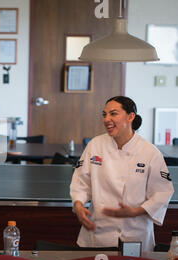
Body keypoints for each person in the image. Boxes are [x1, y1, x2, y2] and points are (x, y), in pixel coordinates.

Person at [70, 96, 174, 251]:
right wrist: (78, 206)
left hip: (135, 234)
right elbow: (81, 183)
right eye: (104, 114)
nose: (107, 119)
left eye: (113, 114)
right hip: (97, 232)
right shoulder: (95, 145)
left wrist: (134, 212)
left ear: (131, 116)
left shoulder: (149, 152)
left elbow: (163, 192)